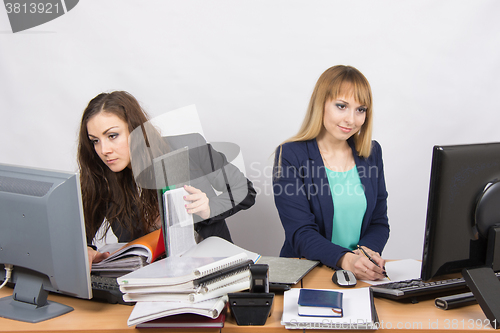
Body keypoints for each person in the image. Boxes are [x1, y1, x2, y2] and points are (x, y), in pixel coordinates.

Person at [78, 91, 256, 268]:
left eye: (112, 136)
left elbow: (244, 190)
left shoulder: (190, 147)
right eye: (95, 141)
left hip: (210, 268)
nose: (103, 150)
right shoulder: (102, 177)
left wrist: (210, 208)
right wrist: (86, 249)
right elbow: (80, 230)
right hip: (147, 280)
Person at [273, 65, 389, 281]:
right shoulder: (290, 155)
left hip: (359, 275)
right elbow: (300, 232)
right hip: (306, 274)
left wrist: (364, 255)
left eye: (360, 109)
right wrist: (346, 260)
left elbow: (379, 221)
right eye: (341, 106)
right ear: (321, 104)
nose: (351, 120)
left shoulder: (372, 153)